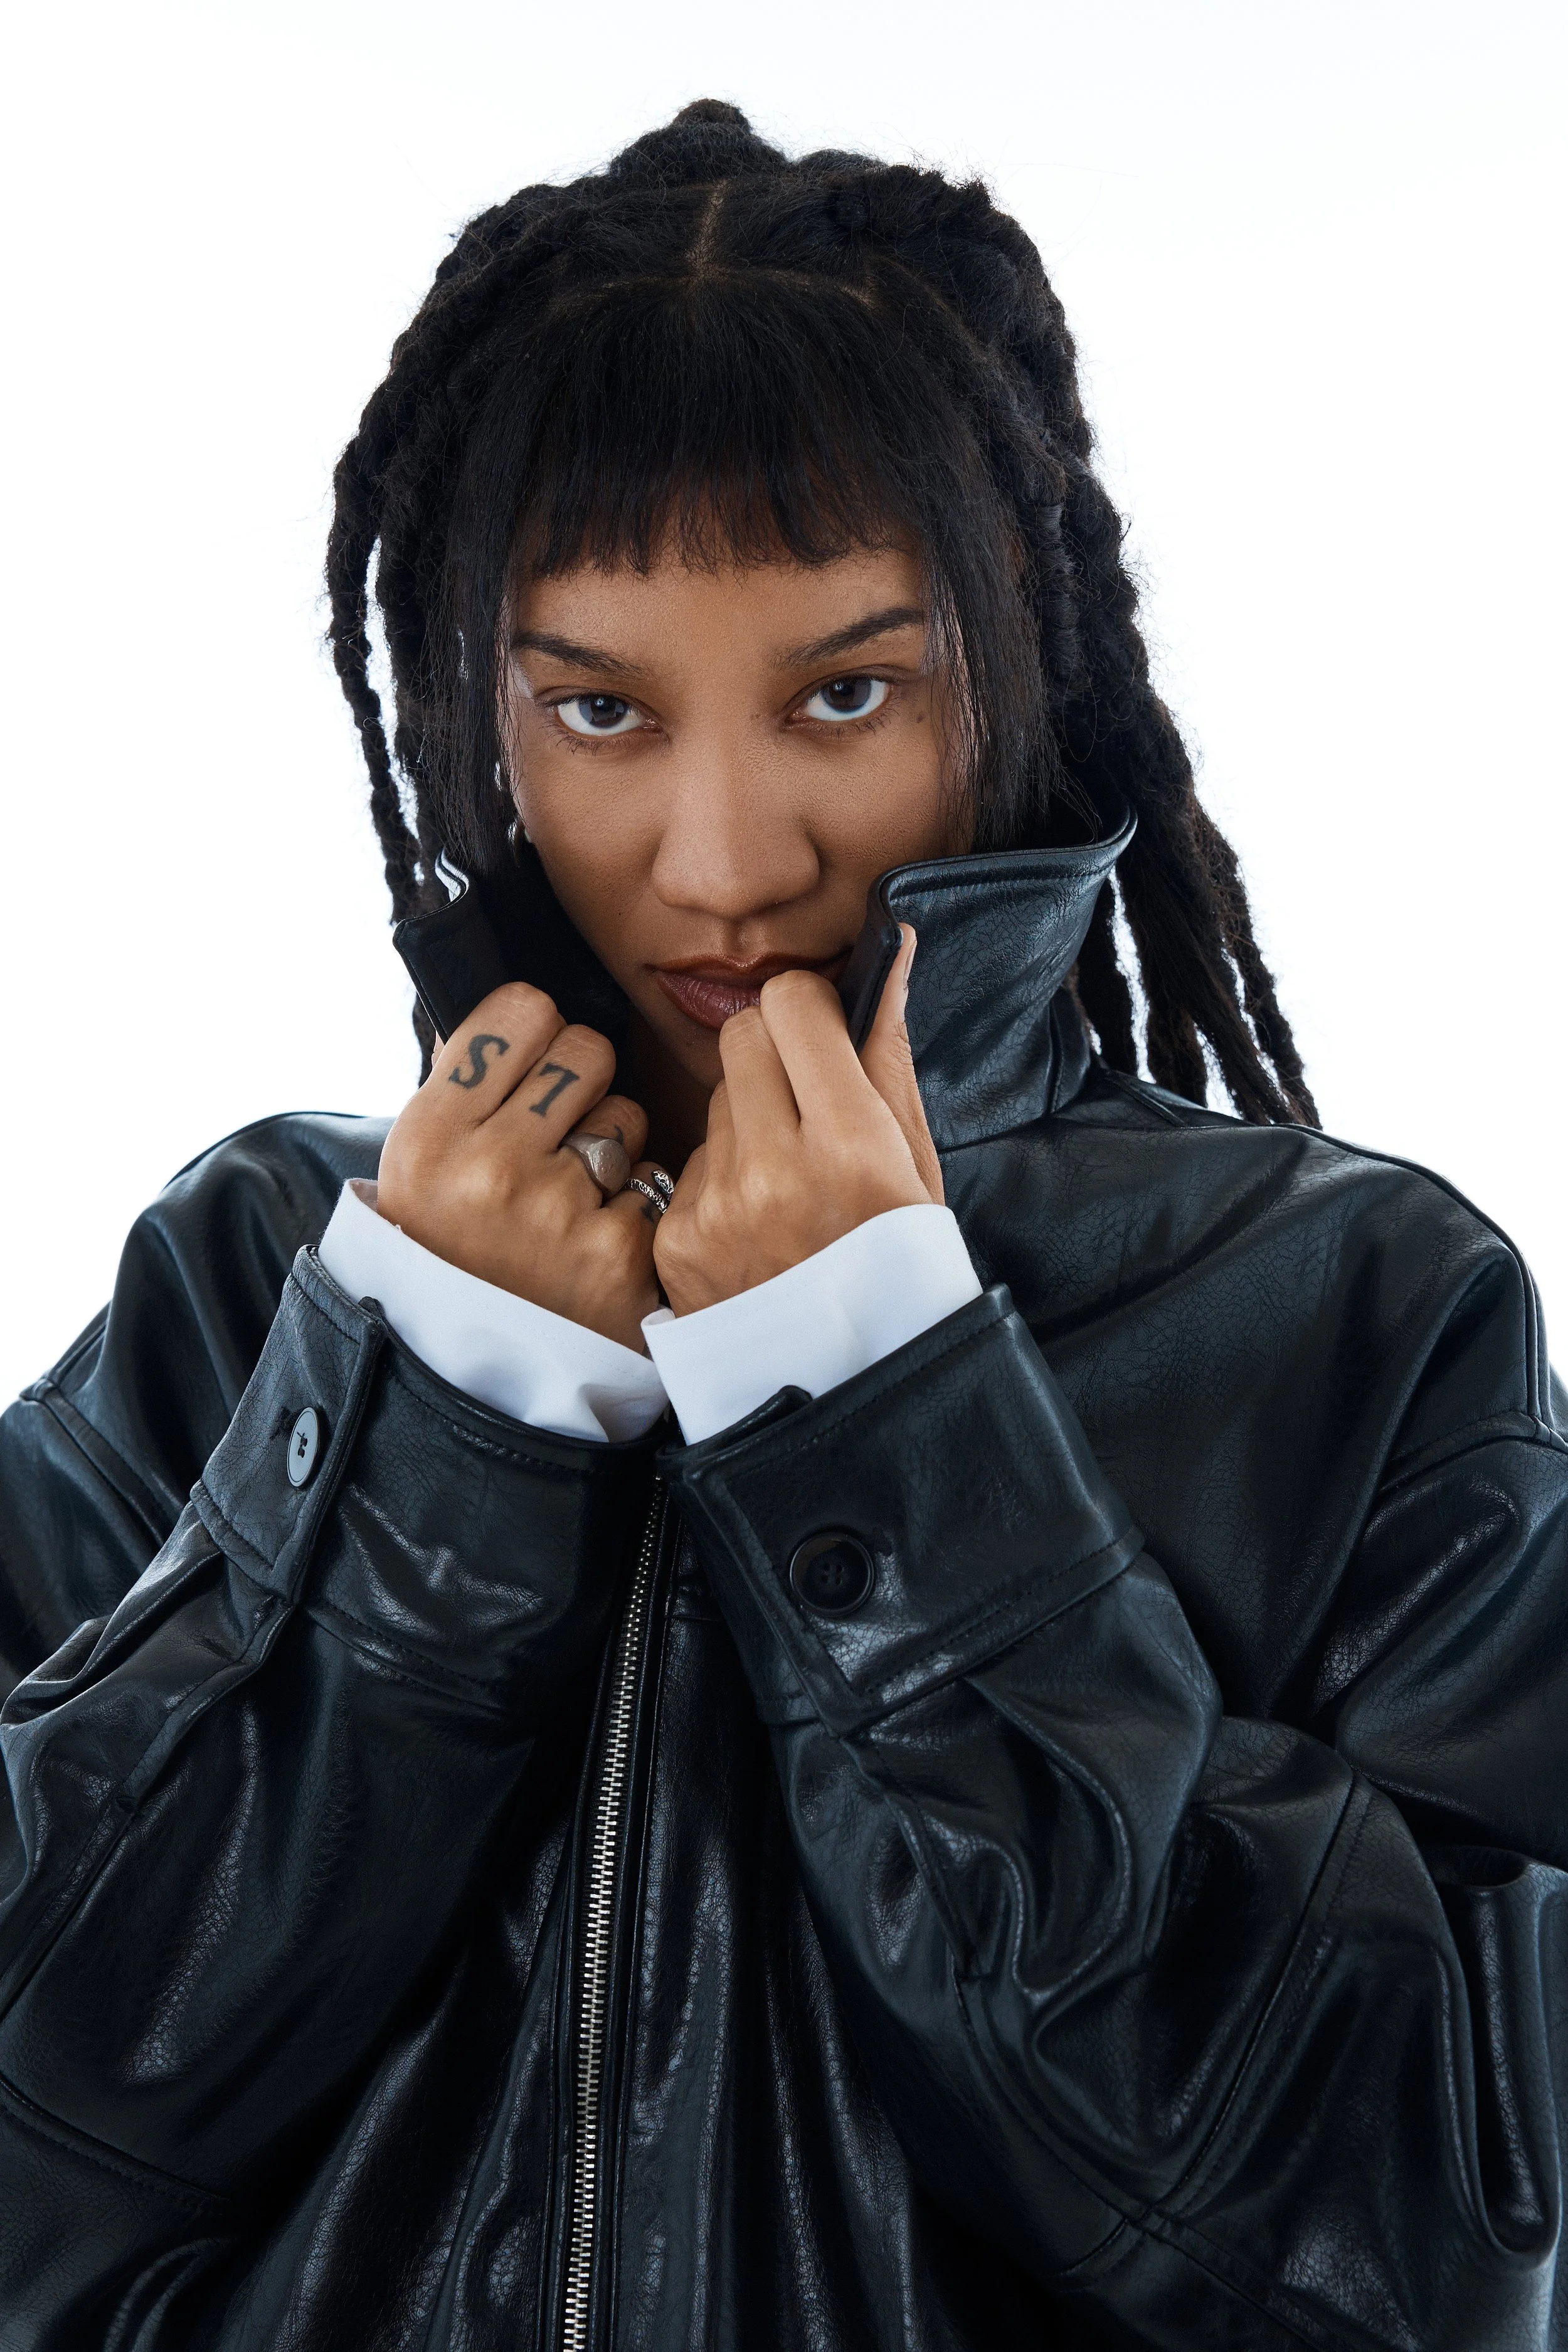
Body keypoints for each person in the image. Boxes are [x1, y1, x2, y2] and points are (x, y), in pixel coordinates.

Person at [0, 96, 1562, 2352]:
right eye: (598, 710)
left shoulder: (1355, 1315)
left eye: (847, 692)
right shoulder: (258, 1280)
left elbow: (1416, 2267)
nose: (723, 861)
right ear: (480, 713)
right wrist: (430, 1407)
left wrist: (875, 1405)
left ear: (1018, 662)